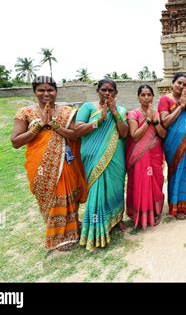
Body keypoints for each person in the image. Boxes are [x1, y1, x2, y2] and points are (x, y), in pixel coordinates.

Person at [11, 76, 87, 251]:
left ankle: (73, 227)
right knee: (52, 197)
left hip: (66, 162)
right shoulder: (25, 113)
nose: (46, 93)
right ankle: (58, 237)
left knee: (70, 194)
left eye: (50, 90)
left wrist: (54, 125)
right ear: (34, 92)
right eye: (41, 90)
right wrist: (38, 126)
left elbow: (75, 136)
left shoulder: (67, 111)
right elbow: (15, 142)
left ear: (56, 91)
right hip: (40, 165)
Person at [74, 79, 129, 251]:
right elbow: (77, 130)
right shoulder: (88, 108)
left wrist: (114, 113)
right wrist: (100, 120)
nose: (107, 93)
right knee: (97, 192)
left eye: (111, 90)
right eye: (104, 90)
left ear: (116, 93)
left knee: (116, 187)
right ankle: (97, 231)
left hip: (115, 157)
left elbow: (124, 133)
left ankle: (115, 220)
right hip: (94, 157)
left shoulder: (121, 110)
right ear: (97, 91)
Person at [126, 84, 167, 228]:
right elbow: (135, 136)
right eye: (143, 95)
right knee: (141, 182)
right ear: (138, 97)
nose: (146, 97)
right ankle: (140, 213)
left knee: (156, 181)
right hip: (139, 156)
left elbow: (162, 134)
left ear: (153, 97)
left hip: (154, 154)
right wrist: (148, 120)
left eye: (149, 94)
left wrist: (154, 120)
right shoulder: (133, 114)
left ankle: (154, 211)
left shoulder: (157, 114)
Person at [158, 73, 186, 220]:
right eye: (179, 83)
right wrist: (180, 106)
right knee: (176, 170)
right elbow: (165, 122)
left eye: (184, 84)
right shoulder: (165, 100)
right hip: (173, 143)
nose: (181, 86)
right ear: (172, 83)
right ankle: (176, 205)